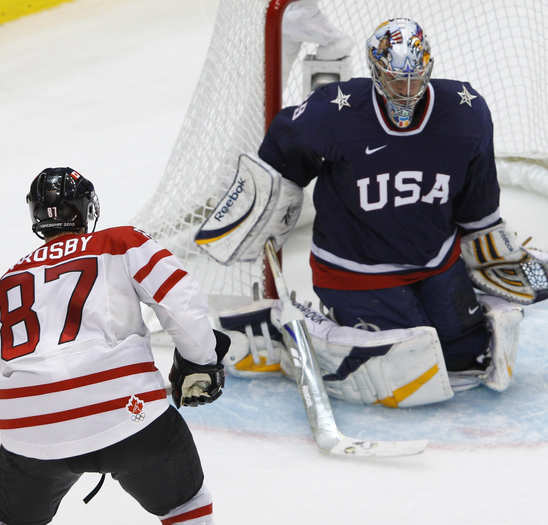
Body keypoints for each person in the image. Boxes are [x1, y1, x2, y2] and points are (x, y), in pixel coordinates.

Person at [215, 17, 546, 406]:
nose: (407, 91)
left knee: (468, 360)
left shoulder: (464, 112)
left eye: (415, 78)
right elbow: (280, 153)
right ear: (375, 72)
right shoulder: (334, 113)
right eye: (394, 80)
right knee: (404, 369)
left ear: (429, 69)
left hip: (435, 262)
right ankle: (285, 333)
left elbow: (477, 200)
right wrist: (263, 200)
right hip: (355, 273)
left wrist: (489, 243)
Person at [0, 167, 229, 524]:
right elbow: (179, 300)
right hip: (129, 413)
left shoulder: (6, 281)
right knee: (184, 504)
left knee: (3, 518)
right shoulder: (120, 242)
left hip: (30, 430)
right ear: (86, 207)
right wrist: (201, 360)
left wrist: (35, 417)